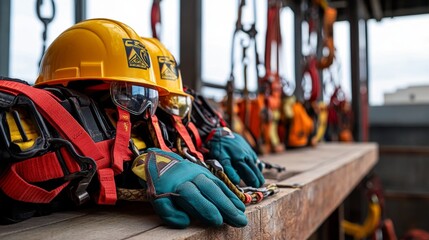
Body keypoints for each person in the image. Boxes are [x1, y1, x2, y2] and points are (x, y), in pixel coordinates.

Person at [0, 18, 247, 228]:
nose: (145, 114)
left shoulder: (131, 132)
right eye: (128, 95)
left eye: (149, 98)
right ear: (75, 94)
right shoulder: (23, 125)